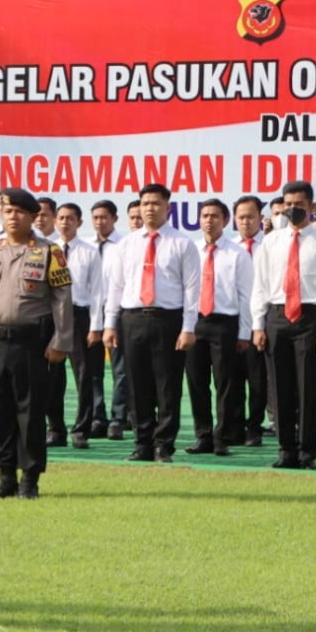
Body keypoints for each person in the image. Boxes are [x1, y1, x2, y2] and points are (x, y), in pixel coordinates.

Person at [0, 188, 74, 498]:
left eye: (20, 211)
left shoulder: (49, 252)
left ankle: (30, 478)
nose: (13, 216)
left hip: (31, 344)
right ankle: (5, 475)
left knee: (30, 412)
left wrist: (61, 340)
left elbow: (62, 299)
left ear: (33, 216)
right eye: (7, 211)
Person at [103, 184, 199, 463]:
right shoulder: (127, 244)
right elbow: (116, 286)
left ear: (168, 207)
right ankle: (142, 442)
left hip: (168, 320)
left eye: (156, 203)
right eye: (145, 203)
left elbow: (192, 289)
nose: (150, 208)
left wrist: (188, 327)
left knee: (167, 385)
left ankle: (163, 445)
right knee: (136, 383)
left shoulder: (182, 243)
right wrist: (110, 323)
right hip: (132, 318)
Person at [250, 180, 316, 470]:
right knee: (280, 387)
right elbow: (260, 286)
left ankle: (306, 452)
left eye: (299, 204)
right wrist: (258, 324)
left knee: (307, 387)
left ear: (312, 206)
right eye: (288, 204)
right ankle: (286, 450)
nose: (293, 209)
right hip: (276, 318)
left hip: (309, 317)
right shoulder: (271, 241)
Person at [184, 199, 253, 457]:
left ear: (225, 221)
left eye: (214, 216)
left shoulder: (237, 253)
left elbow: (246, 295)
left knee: (226, 384)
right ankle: (203, 435)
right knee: (196, 382)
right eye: (204, 216)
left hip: (225, 322)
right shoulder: (191, 250)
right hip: (196, 322)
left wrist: (244, 332)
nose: (209, 220)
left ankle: (222, 436)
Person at [50, 203, 103, 448]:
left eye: (70, 218)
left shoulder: (90, 252)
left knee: (84, 376)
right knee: (53, 376)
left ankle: (81, 430)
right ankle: (56, 430)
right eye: (60, 218)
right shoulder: (46, 250)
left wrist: (96, 327)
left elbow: (97, 293)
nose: (64, 222)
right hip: (52, 318)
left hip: (80, 317)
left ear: (79, 222)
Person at [230, 195, 268, 446]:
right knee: (231, 380)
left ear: (260, 218)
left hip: (261, 322)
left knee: (257, 380)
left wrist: (259, 324)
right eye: (241, 217)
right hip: (232, 321)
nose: (245, 222)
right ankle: (233, 428)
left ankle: (254, 427)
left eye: (250, 216)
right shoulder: (229, 247)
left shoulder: (269, 246)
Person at [89, 199, 128, 440]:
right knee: (92, 369)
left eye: (104, 217)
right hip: (91, 311)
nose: (100, 222)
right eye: (96, 217)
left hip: (119, 312)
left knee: (120, 369)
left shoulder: (124, 245)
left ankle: (118, 418)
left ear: (114, 219)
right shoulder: (85, 246)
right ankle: (96, 416)